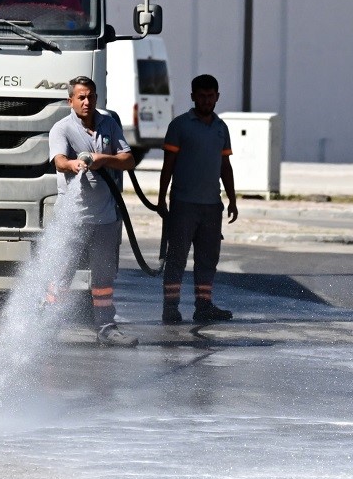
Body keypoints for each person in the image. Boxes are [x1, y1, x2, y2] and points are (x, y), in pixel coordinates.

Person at [48, 76, 138, 348]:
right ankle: (47, 326)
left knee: (103, 277)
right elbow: (59, 160)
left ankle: (106, 328)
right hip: (73, 218)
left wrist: (103, 159)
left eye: (91, 97)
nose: (87, 102)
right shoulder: (61, 128)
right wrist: (75, 164)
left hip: (106, 217)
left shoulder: (108, 123)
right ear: (71, 101)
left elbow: (128, 159)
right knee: (62, 272)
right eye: (81, 98)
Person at [156, 73, 238, 324]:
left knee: (207, 259)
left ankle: (204, 306)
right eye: (201, 96)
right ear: (192, 97)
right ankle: (171, 308)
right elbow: (167, 165)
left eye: (210, 96)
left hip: (212, 207)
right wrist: (161, 199)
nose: (206, 101)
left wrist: (233, 200)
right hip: (183, 205)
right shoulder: (180, 126)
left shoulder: (221, 128)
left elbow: (225, 166)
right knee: (177, 258)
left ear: (217, 97)